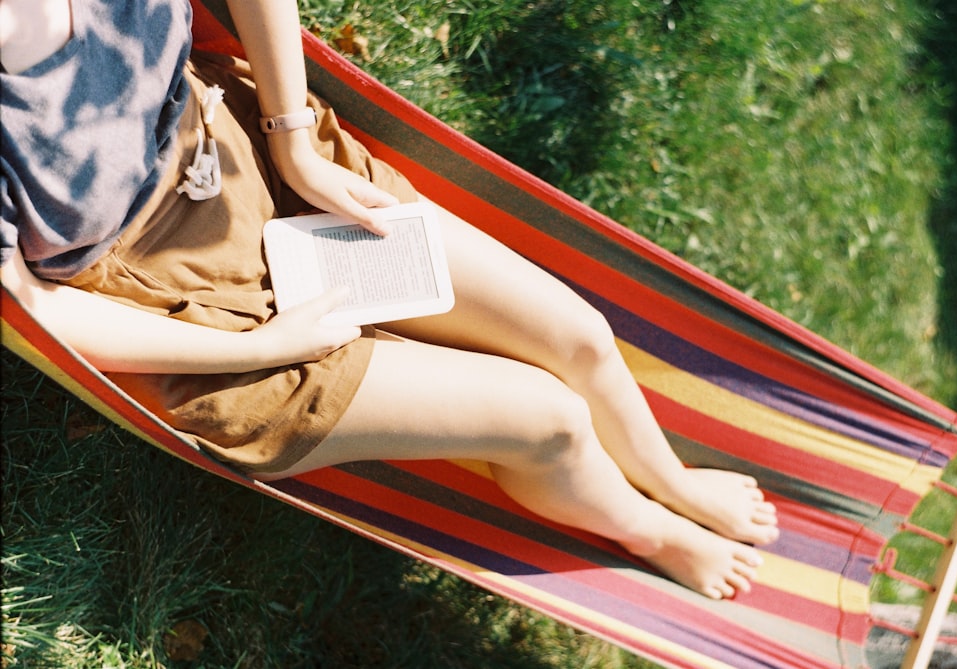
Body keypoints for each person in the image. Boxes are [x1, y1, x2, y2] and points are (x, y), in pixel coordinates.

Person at [0, 0, 778, 600]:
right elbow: (30, 309)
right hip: (176, 310)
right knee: (554, 421)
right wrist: (259, 349)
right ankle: (647, 530)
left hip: (242, 153)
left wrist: (292, 141)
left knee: (581, 338)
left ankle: (671, 479)